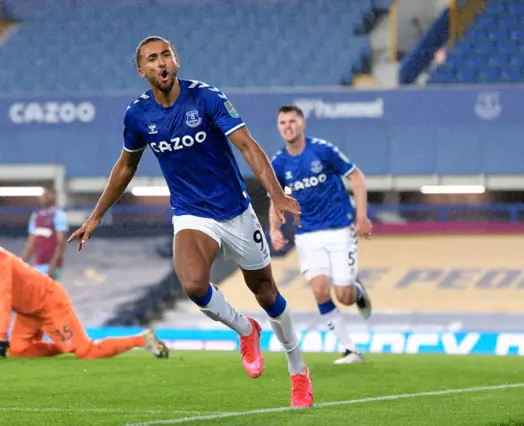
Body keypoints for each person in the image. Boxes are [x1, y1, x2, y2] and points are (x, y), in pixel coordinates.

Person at [68, 36, 313, 407]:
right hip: (191, 214)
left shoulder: (207, 97)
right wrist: (96, 215)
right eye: (153, 59)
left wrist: (275, 193)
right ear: (142, 71)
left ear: (176, 61)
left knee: (267, 293)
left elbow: (247, 145)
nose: (161, 62)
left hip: (236, 212)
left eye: (166, 55)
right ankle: (246, 330)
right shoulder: (137, 116)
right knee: (194, 284)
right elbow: (125, 167)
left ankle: (298, 371)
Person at [0, 225, 168, 360]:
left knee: (87, 352)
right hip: (28, 313)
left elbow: (5, 300)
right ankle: (64, 345)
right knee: (18, 350)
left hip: (48, 302)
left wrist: (1, 340)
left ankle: (142, 339)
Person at [269, 105, 373, 364]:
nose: (288, 126)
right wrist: (274, 228)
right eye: (283, 123)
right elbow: (276, 198)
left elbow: (357, 177)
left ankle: (355, 290)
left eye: (292, 121)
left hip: (340, 229)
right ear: (279, 127)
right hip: (308, 235)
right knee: (319, 291)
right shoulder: (279, 163)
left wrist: (361, 216)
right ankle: (351, 350)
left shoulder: (323, 150)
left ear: (302, 124)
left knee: (344, 297)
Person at [22, 187, 68, 280]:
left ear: (54, 196)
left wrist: (52, 267)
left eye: (47, 194)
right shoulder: (35, 217)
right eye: (42, 194)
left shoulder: (59, 215)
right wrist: (21, 263)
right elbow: (31, 243)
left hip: (53, 267)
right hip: (38, 265)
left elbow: (60, 243)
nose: (44, 197)